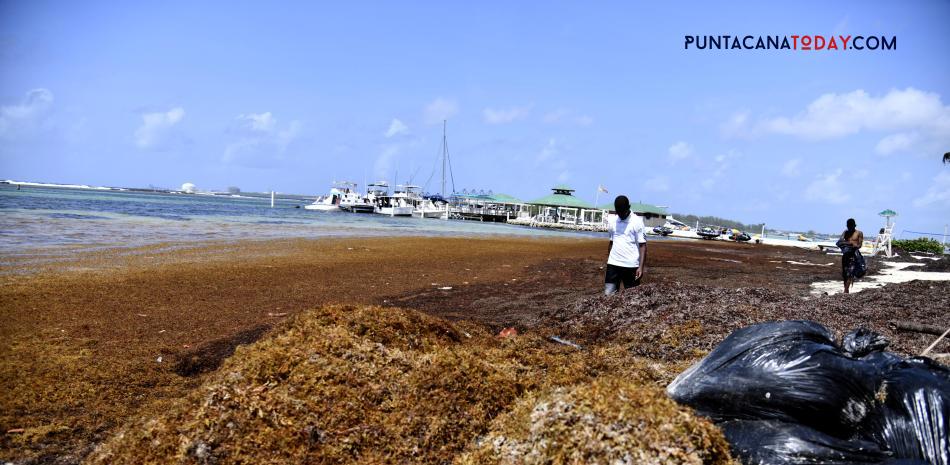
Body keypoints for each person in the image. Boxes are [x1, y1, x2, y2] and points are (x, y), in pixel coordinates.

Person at [604, 195, 647, 295]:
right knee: (608, 294)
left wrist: (640, 267)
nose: (621, 215)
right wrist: (609, 260)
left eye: (623, 212)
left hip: (631, 265)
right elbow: (611, 242)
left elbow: (643, 246)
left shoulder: (637, 221)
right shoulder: (613, 221)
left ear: (628, 207)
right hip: (613, 264)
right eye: (618, 212)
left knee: (632, 297)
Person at [839, 218, 864, 293]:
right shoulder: (845, 232)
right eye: (848, 226)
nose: (849, 228)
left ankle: (846, 290)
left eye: (851, 226)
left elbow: (860, 245)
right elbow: (840, 240)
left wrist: (854, 245)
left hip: (854, 255)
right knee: (845, 273)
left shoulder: (859, 233)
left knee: (850, 272)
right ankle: (846, 289)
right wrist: (846, 243)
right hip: (846, 255)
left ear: (854, 225)